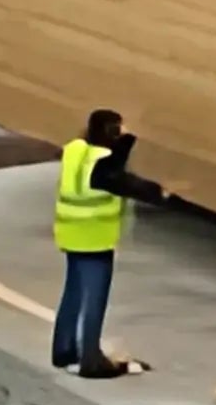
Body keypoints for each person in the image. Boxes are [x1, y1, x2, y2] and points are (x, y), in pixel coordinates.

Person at [53, 109, 162, 381]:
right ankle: (91, 359)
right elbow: (123, 180)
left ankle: (64, 351)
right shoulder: (103, 162)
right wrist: (163, 194)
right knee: (94, 300)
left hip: (70, 232)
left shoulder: (74, 150)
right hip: (95, 238)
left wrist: (122, 140)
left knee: (73, 294)